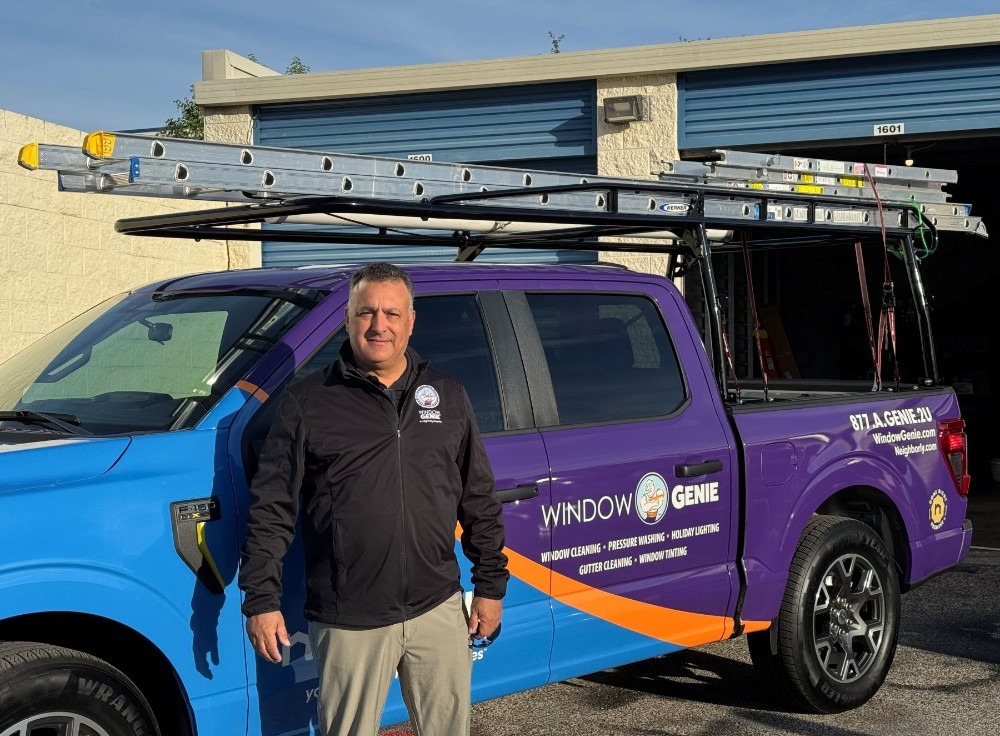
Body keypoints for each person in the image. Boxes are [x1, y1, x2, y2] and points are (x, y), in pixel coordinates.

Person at [238, 262, 508, 736]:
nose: (378, 325)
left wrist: (489, 586)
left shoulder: (446, 395)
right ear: (347, 319)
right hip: (350, 618)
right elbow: (272, 508)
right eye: (365, 313)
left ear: (410, 321)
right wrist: (261, 598)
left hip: (437, 606)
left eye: (391, 313)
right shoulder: (309, 402)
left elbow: (478, 497)